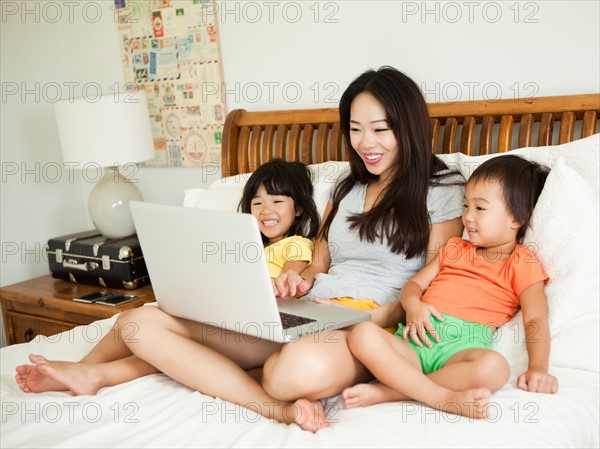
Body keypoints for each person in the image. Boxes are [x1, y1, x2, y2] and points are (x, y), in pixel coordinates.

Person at [15, 66, 465, 432]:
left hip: (367, 325)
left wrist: (370, 318)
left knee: (289, 375)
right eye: (355, 129)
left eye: (380, 129)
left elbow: (434, 279)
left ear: (407, 126)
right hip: (307, 308)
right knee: (137, 323)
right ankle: (87, 373)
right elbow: (320, 261)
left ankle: (249, 388)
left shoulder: (442, 188)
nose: (366, 143)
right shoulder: (349, 188)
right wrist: (298, 279)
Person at [342, 155, 558, 420]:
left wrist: (538, 367)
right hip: (413, 342)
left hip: (459, 353)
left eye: (480, 209)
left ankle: (392, 392)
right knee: (362, 334)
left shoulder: (521, 261)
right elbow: (414, 285)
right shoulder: (454, 248)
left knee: (495, 368)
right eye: (466, 205)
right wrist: (413, 305)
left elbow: (535, 317)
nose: (467, 217)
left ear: (516, 218)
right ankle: (432, 393)